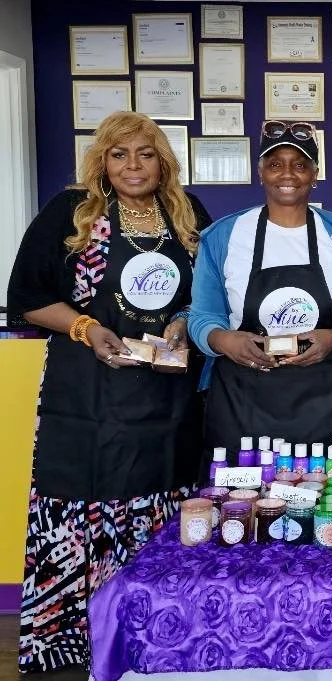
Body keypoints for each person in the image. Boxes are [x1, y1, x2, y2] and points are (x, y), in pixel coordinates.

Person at [7, 111, 211, 673]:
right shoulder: (71, 213)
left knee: (163, 492)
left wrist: (185, 322)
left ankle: (158, 641)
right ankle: (74, 645)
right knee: (85, 496)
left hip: (168, 397)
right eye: (119, 154)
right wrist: (86, 328)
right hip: (88, 396)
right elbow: (27, 297)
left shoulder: (188, 214)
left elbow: (210, 294)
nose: (133, 165)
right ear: (102, 161)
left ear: (163, 161)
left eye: (145, 154)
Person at [189, 121, 332, 459]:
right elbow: (202, 317)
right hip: (246, 401)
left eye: (300, 164)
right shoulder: (223, 236)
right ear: (260, 172)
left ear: (315, 174)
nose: (287, 173)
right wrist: (226, 341)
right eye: (275, 164)